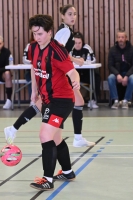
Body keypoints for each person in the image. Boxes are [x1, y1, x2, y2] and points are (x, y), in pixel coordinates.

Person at [4, 4, 95, 148]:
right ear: (62, 16)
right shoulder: (64, 31)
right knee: (50, 103)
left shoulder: (68, 31)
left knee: (73, 102)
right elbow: (58, 53)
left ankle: (14, 128)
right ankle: (14, 128)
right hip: (57, 75)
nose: (73, 17)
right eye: (70, 14)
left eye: (75, 14)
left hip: (59, 73)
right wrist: (77, 60)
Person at [27, 14, 78, 191]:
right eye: (34, 33)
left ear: (50, 32)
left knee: (45, 136)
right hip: (48, 99)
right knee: (55, 138)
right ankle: (68, 171)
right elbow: (35, 69)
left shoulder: (58, 50)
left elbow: (72, 72)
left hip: (62, 101)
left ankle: (47, 179)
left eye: (40, 34)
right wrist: (34, 91)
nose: (37, 37)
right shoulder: (33, 48)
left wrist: (76, 81)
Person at [107, 29, 133, 109]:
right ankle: (115, 101)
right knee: (110, 78)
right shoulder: (112, 50)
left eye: (122, 37)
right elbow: (110, 65)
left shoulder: (132, 49)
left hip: (129, 72)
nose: (121, 39)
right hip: (117, 72)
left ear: (126, 38)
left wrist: (127, 76)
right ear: (117, 39)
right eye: (119, 37)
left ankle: (126, 101)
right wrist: (117, 74)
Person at [70, 31, 101, 108]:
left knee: (96, 77)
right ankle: (70, 100)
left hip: (86, 73)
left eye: (79, 43)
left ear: (82, 42)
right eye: (75, 43)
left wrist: (84, 62)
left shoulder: (87, 48)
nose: (77, 45)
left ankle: (93, 100)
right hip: (74, 74)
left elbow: (93, 59)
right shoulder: (70, 48)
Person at [22, 33, 34, 103]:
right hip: (30, 70)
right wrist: (34, 62)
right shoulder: (29, 46)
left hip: (44, 70)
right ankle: (33, 101)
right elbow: (24, 59)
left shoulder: (47, 46)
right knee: (31, 79)